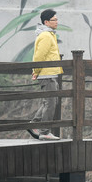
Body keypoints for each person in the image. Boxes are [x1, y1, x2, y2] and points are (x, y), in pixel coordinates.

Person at [28, 9, 62, 141]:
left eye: (57, 19)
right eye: (54, 20)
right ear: (46, 22)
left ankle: (34, 125)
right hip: (46, 74)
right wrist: (36, 71)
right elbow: (39, 56)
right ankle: (44, 131)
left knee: (49, 102)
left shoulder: (49, 34)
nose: (57, 22)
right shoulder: (46, 36)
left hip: (49, 73)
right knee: (50, 103)